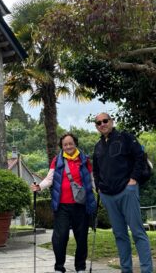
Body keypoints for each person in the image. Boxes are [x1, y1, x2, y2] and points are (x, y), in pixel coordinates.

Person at [93, 113, 153, 273]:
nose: (102, 124)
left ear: (111, 121)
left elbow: (140, 157)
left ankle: (146, 270)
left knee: (137, 232)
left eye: (105, 121)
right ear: (96, 126)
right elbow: (96, 170)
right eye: (98, 123)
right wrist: (98, 187)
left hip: (127, 191)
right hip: (108, 196)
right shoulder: (97, 146)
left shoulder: (125, 137)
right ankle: (126, 270)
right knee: (119, 235)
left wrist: (133, 180)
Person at [31, 133, 96, 273]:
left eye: (70, 143)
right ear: (62, 146)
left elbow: (91, 180)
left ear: (75, 144)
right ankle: (59, 267)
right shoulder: (57, 160)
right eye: (65, 144)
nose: (68, 146)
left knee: (81, 237)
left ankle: (80, 267)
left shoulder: (84, 160)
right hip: (62, 206)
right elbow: (50, 179)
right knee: (59, 238)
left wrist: (101, 189)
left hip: (81, 205)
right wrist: (39, 187)